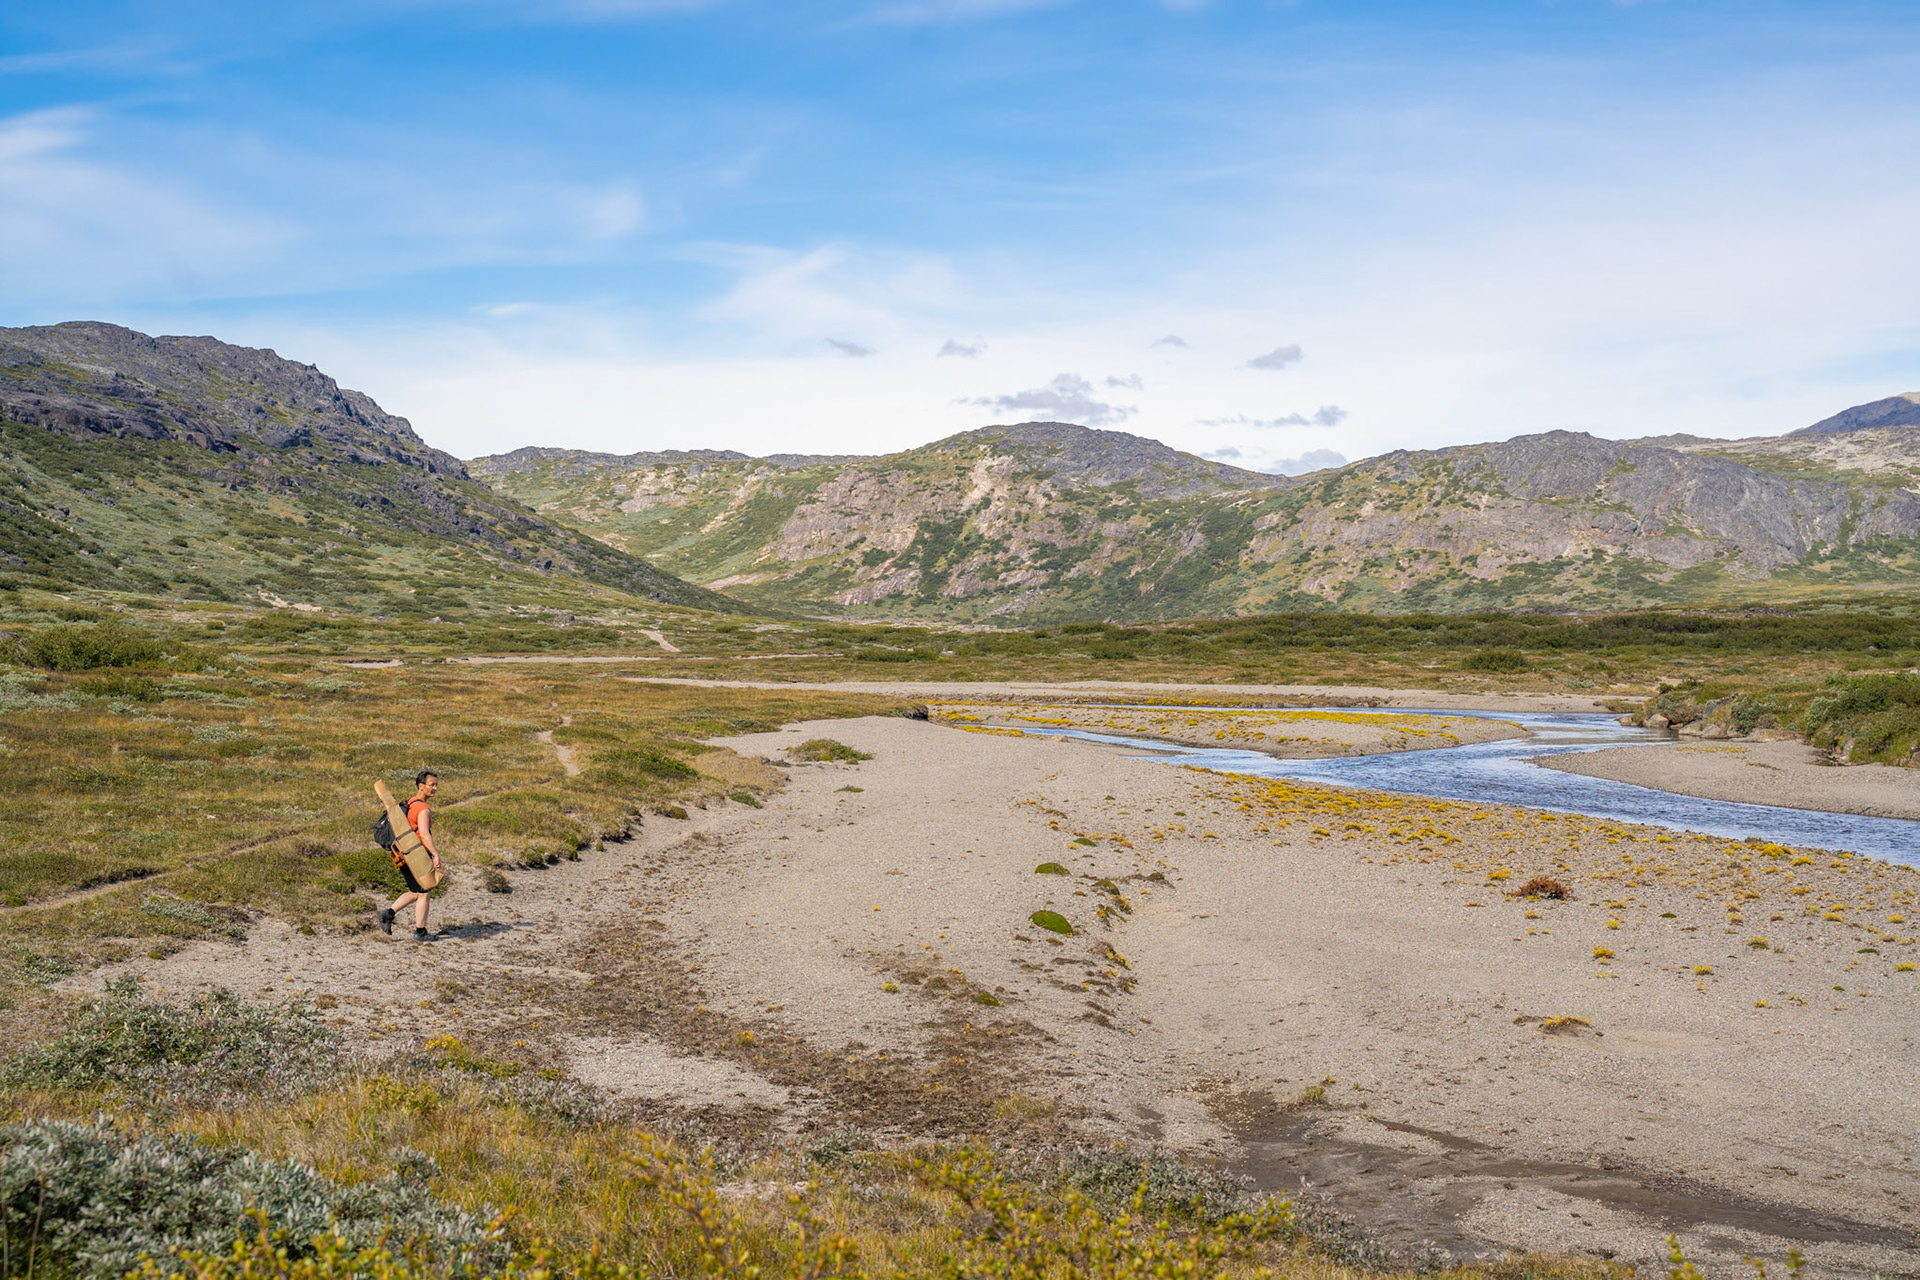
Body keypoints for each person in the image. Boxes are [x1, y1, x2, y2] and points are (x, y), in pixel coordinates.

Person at [379, 770, 443, 941]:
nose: (435, 788)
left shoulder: (409, 803)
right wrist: (435, 854)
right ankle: (420, 932)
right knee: (424, 892)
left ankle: (388, 914)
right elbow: (424, 834)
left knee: (416, 891)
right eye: (432, 785)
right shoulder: (422, 808)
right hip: (417, 856)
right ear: (421, 786)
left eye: (436, 785)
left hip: (403, 853)